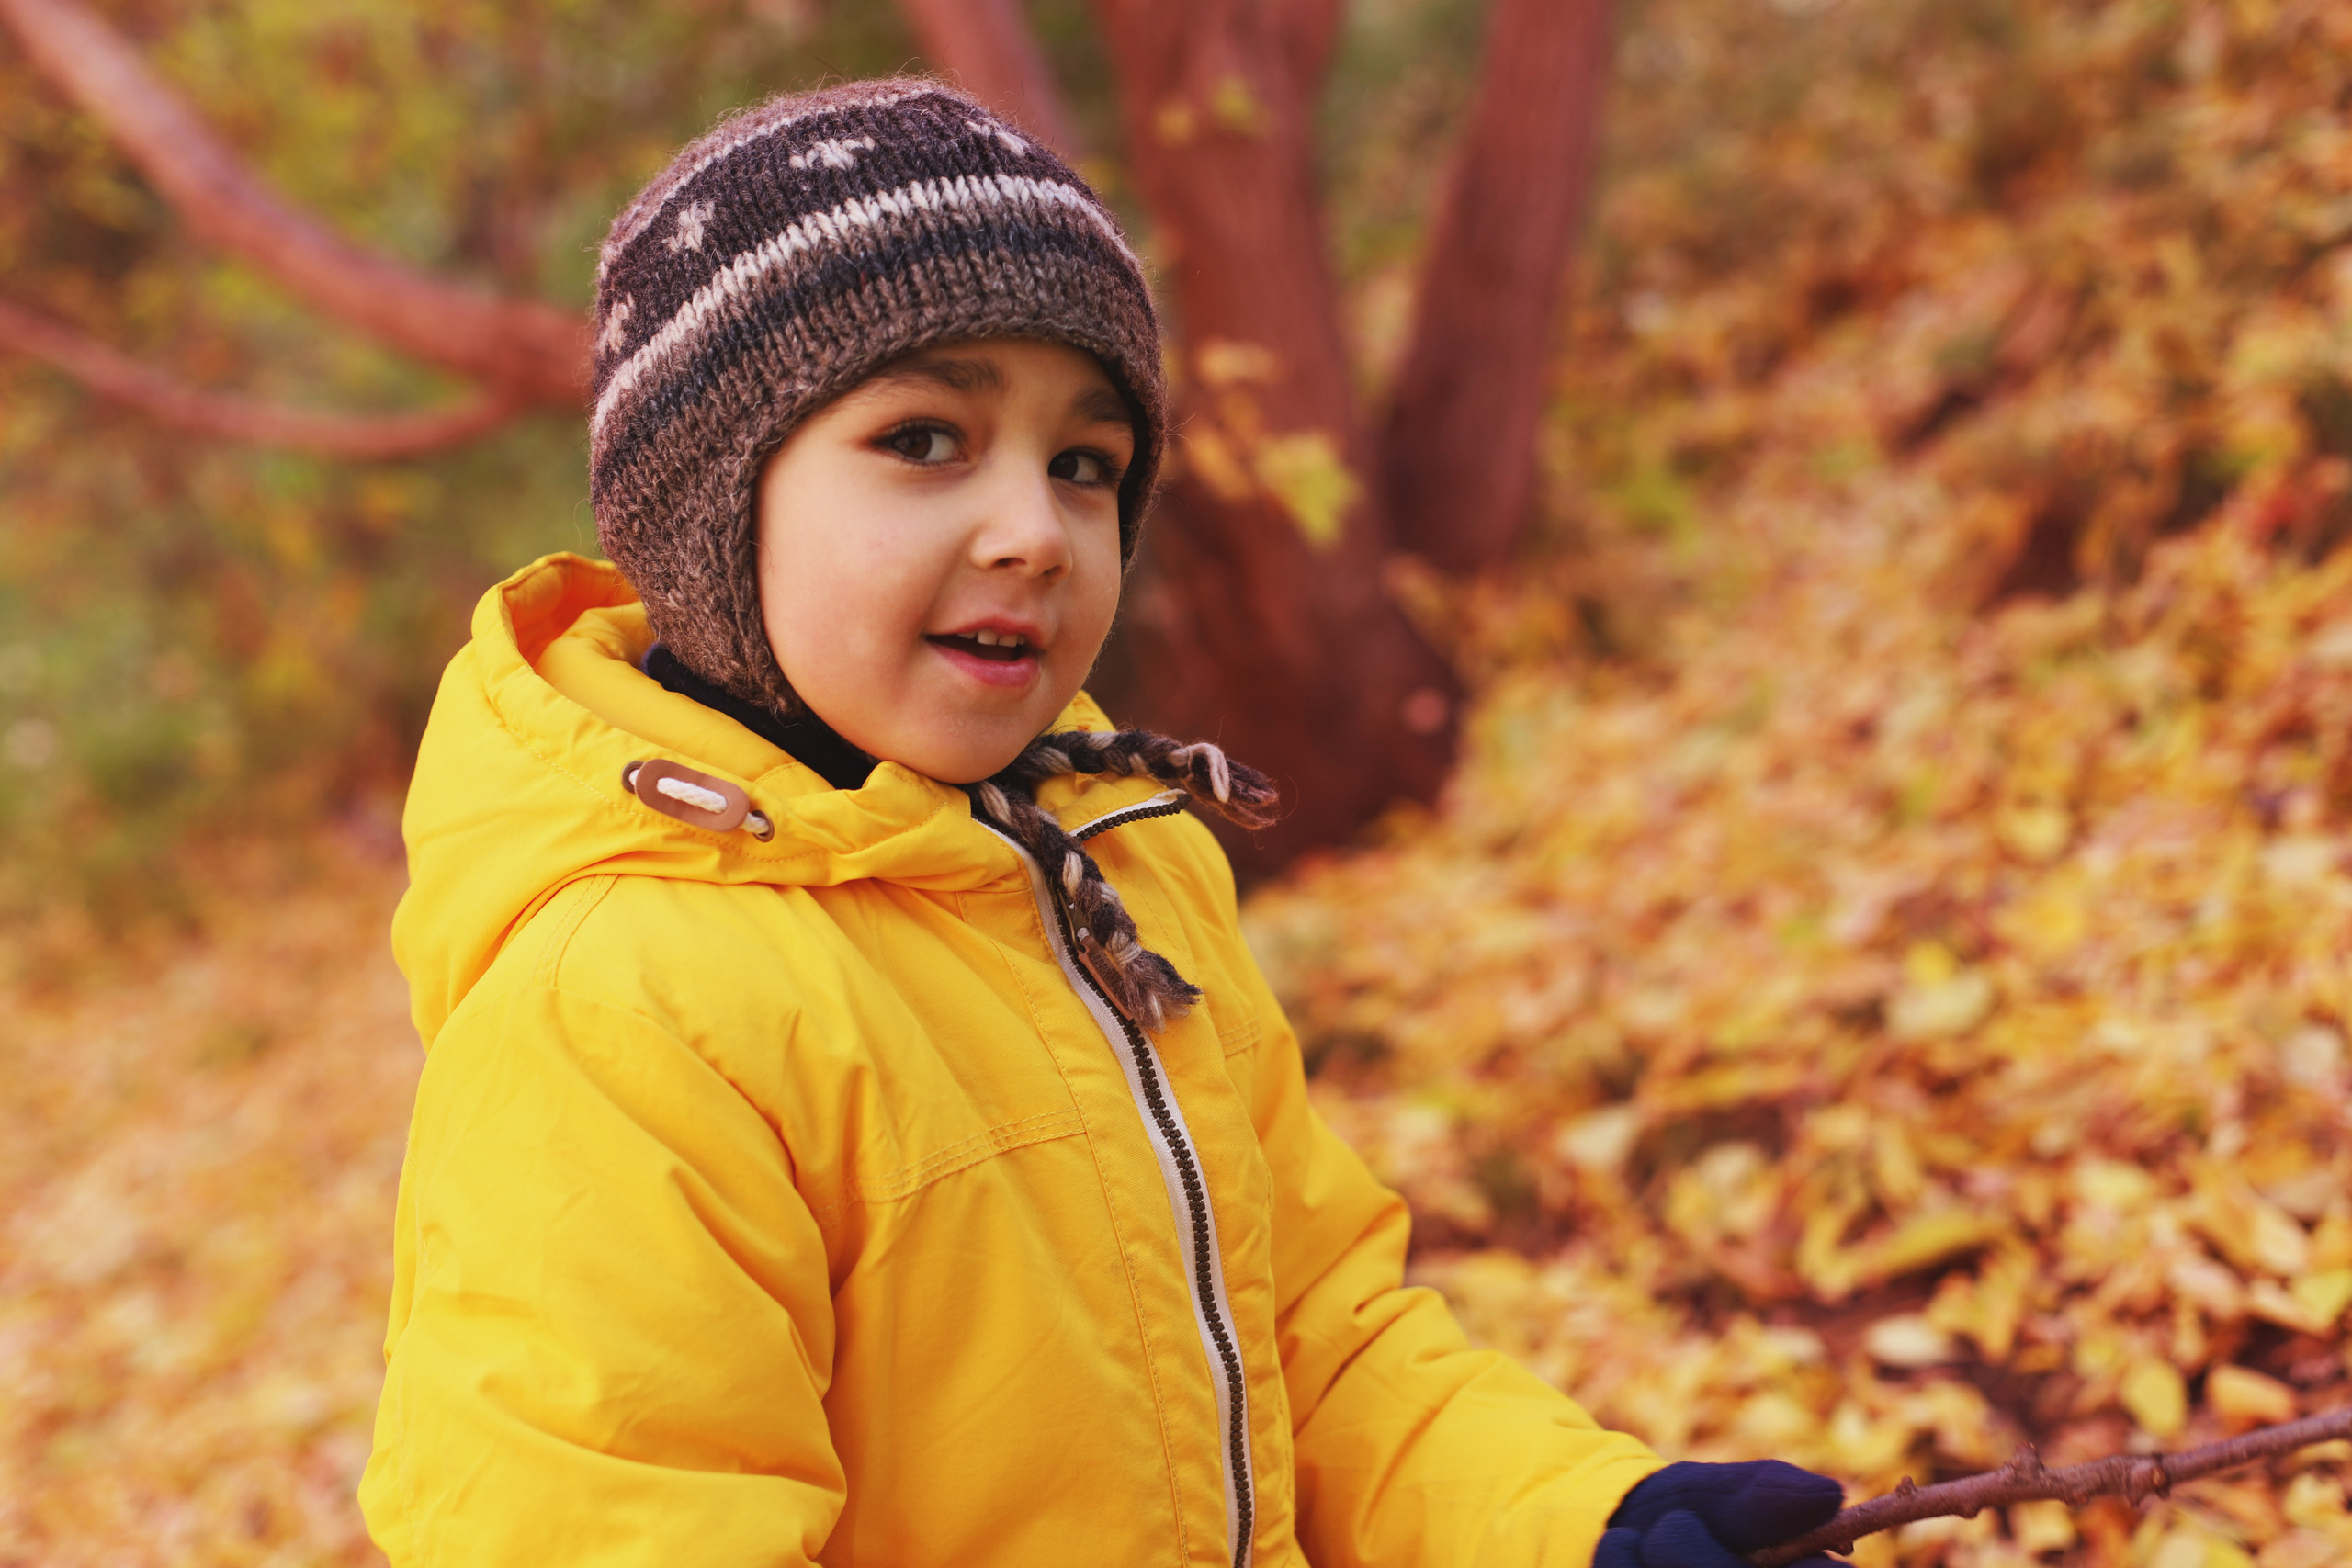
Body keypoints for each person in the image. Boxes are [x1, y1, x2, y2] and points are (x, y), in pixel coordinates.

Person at [359, 78, 1847, 1568]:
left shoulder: (1122, 867)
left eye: (1086, 466)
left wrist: (1573, 1525)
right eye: (926, 439)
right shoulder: (623, 1011)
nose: (1035, 533)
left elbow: (1312, 1342)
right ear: (709, 511)